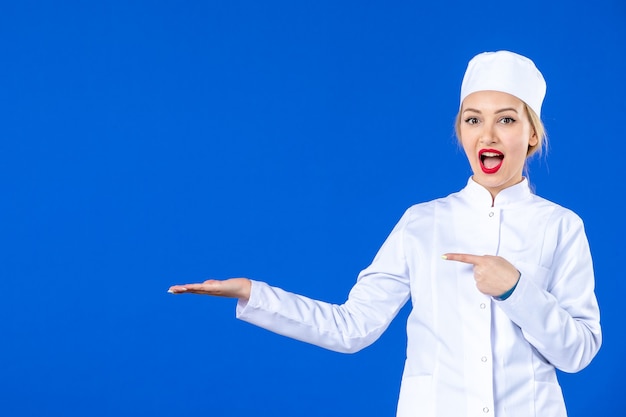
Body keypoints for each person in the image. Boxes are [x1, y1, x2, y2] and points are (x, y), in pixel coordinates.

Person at [168, 50, 602, 417]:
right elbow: (352, 327)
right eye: (473, 120)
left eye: (506, 120)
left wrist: (516, 290)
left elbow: (578, 351)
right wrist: (253, 294)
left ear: (531, 135)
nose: (487, 134)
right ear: (461, 131)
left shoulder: (561, 226)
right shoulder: (422, 222)